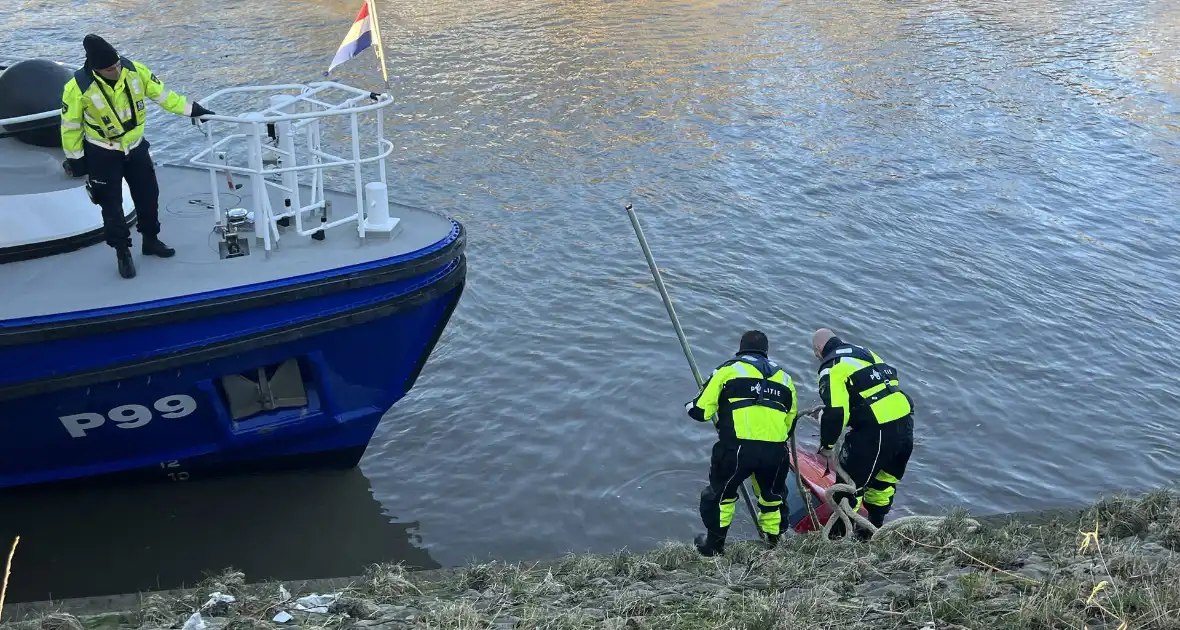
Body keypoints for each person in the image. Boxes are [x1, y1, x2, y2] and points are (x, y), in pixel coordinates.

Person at [60, 34, 215, 279]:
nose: (117, 69)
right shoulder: (77, 88)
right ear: (97, 68)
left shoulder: (135, 71)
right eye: (111, 68)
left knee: (148, 194)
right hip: (103, 152)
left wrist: (192, 109)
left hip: (135, 147)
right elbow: (70, 127)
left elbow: (163, 95)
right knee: (111, 206)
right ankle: (122, 253)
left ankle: (151, 240)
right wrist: (77, 160)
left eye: (118, 64)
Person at [684, 330, 798, 556]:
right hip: (775, 451)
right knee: (772, 499)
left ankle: (713, 546)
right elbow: (789, 423)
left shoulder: (728, 370)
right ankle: (773, 544)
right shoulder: (785, 378)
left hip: (737, 449)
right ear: (766, 351)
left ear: (741, 348)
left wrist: (690, 404)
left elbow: (700, 412)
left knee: (721, 496)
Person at [811, 328, 915, 536]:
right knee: (883, 483)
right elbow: (873, 391)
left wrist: (827, 445)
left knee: (849, 486)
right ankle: (872, 530)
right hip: (904, 423)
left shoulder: (831, 367)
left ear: (819, 349)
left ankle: (839, 537)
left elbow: (837, 412)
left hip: (875, 432)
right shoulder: (864, 353)